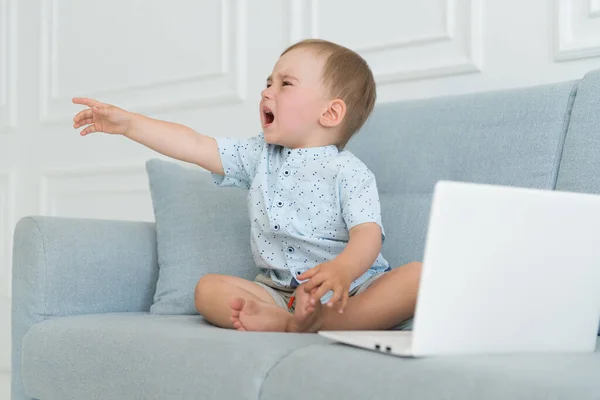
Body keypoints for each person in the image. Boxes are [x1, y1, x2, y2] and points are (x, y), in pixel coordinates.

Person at [72, 39, 422, 333]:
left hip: (352, 288)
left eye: (285, 84)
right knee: (208, 289)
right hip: (277, 291)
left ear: (330, 114)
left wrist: (342, 271)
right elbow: (195, 145)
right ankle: (292, 323)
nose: (267, 90)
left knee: (418, 277)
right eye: (268, 82)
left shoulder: (348, 172)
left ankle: (327, 321)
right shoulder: (259, 155)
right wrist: (130, 124)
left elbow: (367, 235)